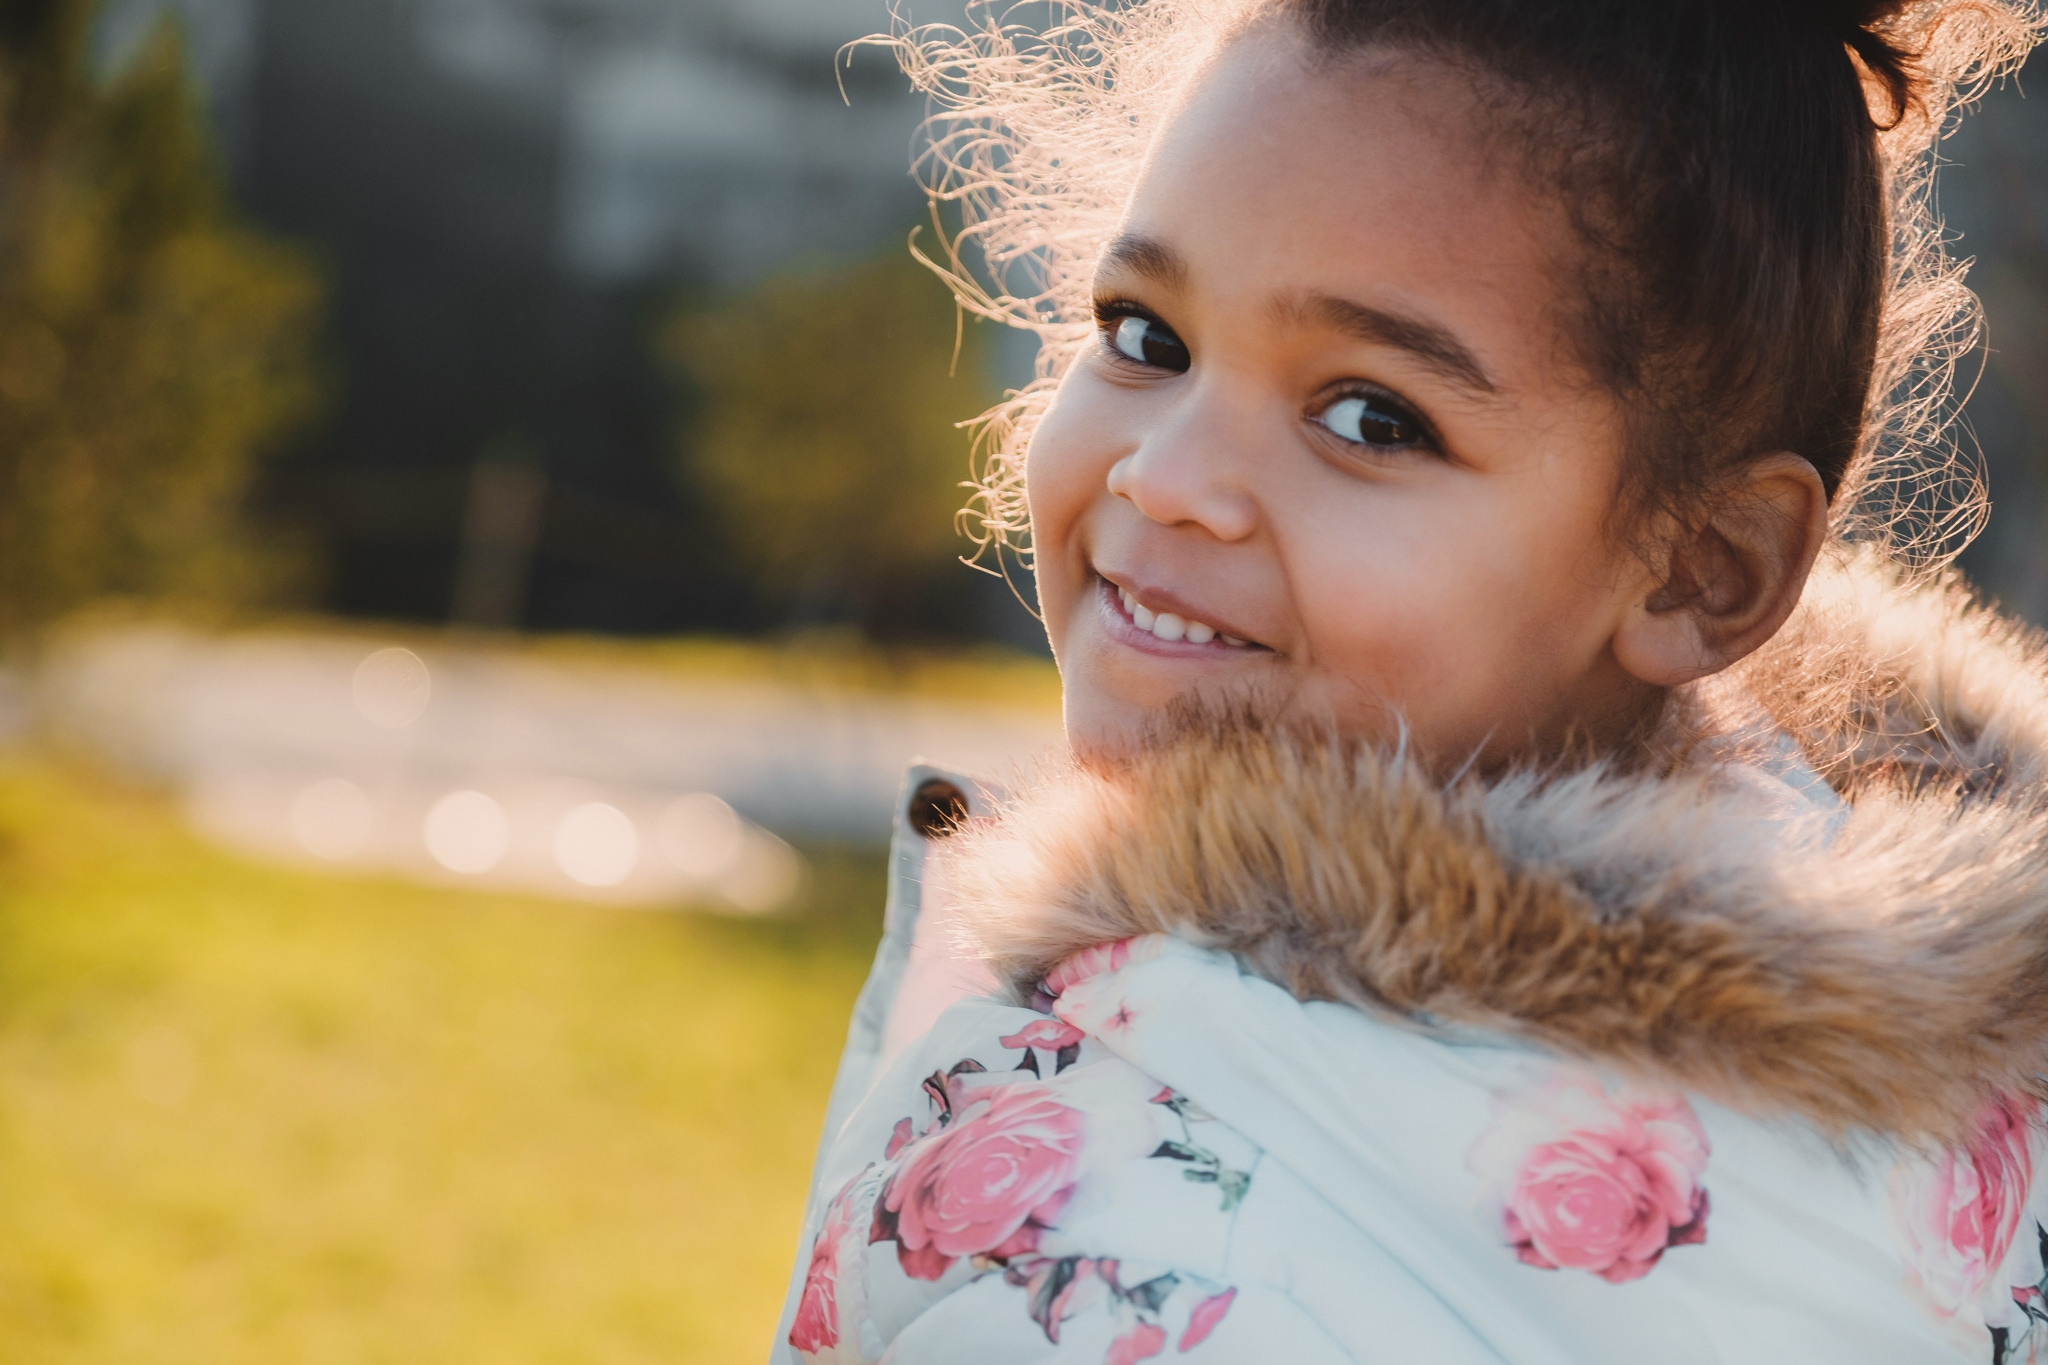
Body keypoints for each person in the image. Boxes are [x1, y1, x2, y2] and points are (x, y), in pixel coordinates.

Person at [775, 1, 2048, 1360]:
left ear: (1701, 570)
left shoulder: (1136, 1251)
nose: (1167, 477)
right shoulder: (1974, 1110)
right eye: (1147, 336)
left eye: (1372, 417)